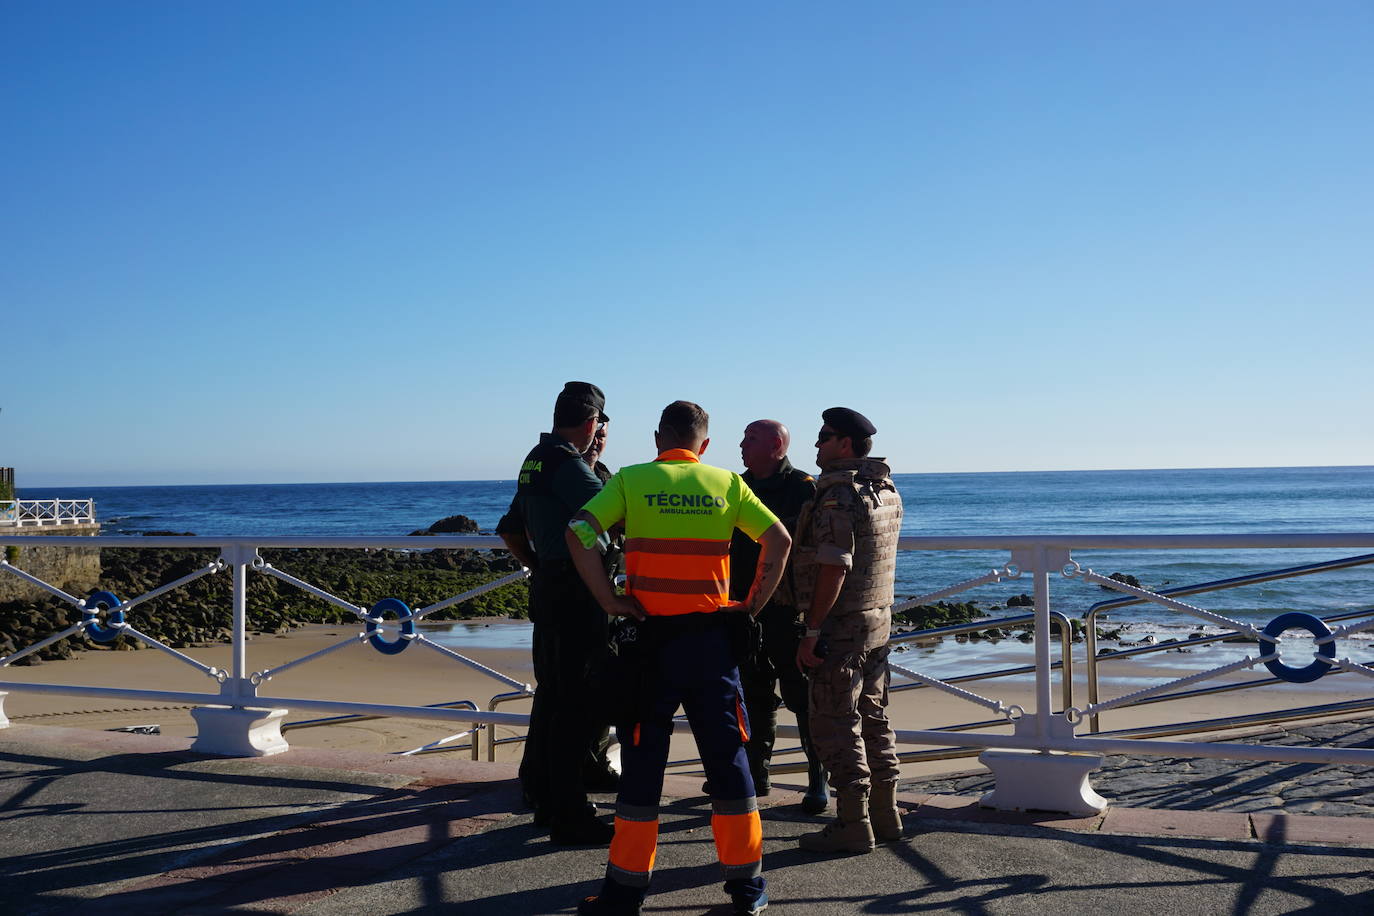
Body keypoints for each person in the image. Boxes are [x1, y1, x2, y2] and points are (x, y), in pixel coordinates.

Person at [566, 400, 791, 916]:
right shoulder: (726, 484)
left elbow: (578, 532)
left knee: (644, 764)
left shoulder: (630, 479)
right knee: (730, 762)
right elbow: (779, 540)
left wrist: (608, 599)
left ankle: (624, 892)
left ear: (656, 439)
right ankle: (747, 888)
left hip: (650, 646)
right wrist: (750, 606)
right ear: (704, 446)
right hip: (712, 644)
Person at [495, 381, 614, 845]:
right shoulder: (566, 463)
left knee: (552, 698)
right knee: (575, 703)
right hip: (577, 594)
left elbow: (510, 529)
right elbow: (616, 512)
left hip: (550, 588)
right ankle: (570, 813)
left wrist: (538, 565)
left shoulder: (535, 459)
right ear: (591, 423)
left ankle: (546, 797)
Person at [793, 407, 904, 854]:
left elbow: (834, 566)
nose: (816, 445)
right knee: (874, 715)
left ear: (844, 444)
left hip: (842, 626)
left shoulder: (840, 494)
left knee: (836, 721)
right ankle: (886, 814)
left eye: (823, 437)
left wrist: (811, 628)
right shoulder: (885, 488)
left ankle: (852, 823)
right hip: (878, 618)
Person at [730, 419, 830, 814]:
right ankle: (756, 775)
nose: (741, 444)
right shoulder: (737, 486)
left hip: (788, 610)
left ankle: (816, 780)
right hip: (745, 607)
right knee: (753, 693)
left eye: (749, 439)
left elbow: (817, 550)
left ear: (776, 445)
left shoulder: (803, 488)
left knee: (803, 699)